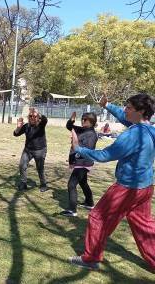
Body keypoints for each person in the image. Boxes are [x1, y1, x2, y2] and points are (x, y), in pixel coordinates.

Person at [69, 93, 155, 271]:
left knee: (97, 217)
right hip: (146, 187)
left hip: (127, 188)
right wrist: (107, 105)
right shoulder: (150, 129)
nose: (125, 110)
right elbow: (125, 118)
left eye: (129, 108)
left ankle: (90, 258)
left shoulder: (132, 135)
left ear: (141, 111)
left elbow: (104, 155)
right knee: (143, 225)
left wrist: (79, 148)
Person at [60, 111, 98, 217]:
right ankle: (89, 203)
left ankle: (72, 210)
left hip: (83, 163)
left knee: (71, 185)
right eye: (82, 118)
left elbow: (87, 150)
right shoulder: (81, 129)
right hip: (80, 163)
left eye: (85, 119)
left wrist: (75, 143)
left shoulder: (91, 135)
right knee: (83, 183)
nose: (82, 120)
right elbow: (69, 126)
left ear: (91, 122)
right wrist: (72, 119)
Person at [13, 108, 48, 192]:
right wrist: (18, 127)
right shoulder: (26, 126)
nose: (32, 117)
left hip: (40, 150)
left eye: (34, 116)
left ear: (38, 117)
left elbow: (45, 119)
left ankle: (43, 184)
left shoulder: (41, 124)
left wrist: (38, 113)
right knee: (22, 165)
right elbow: (15, 134)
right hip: (28, 150)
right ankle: (23, 183)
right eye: (30, 116)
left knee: (40, 168)